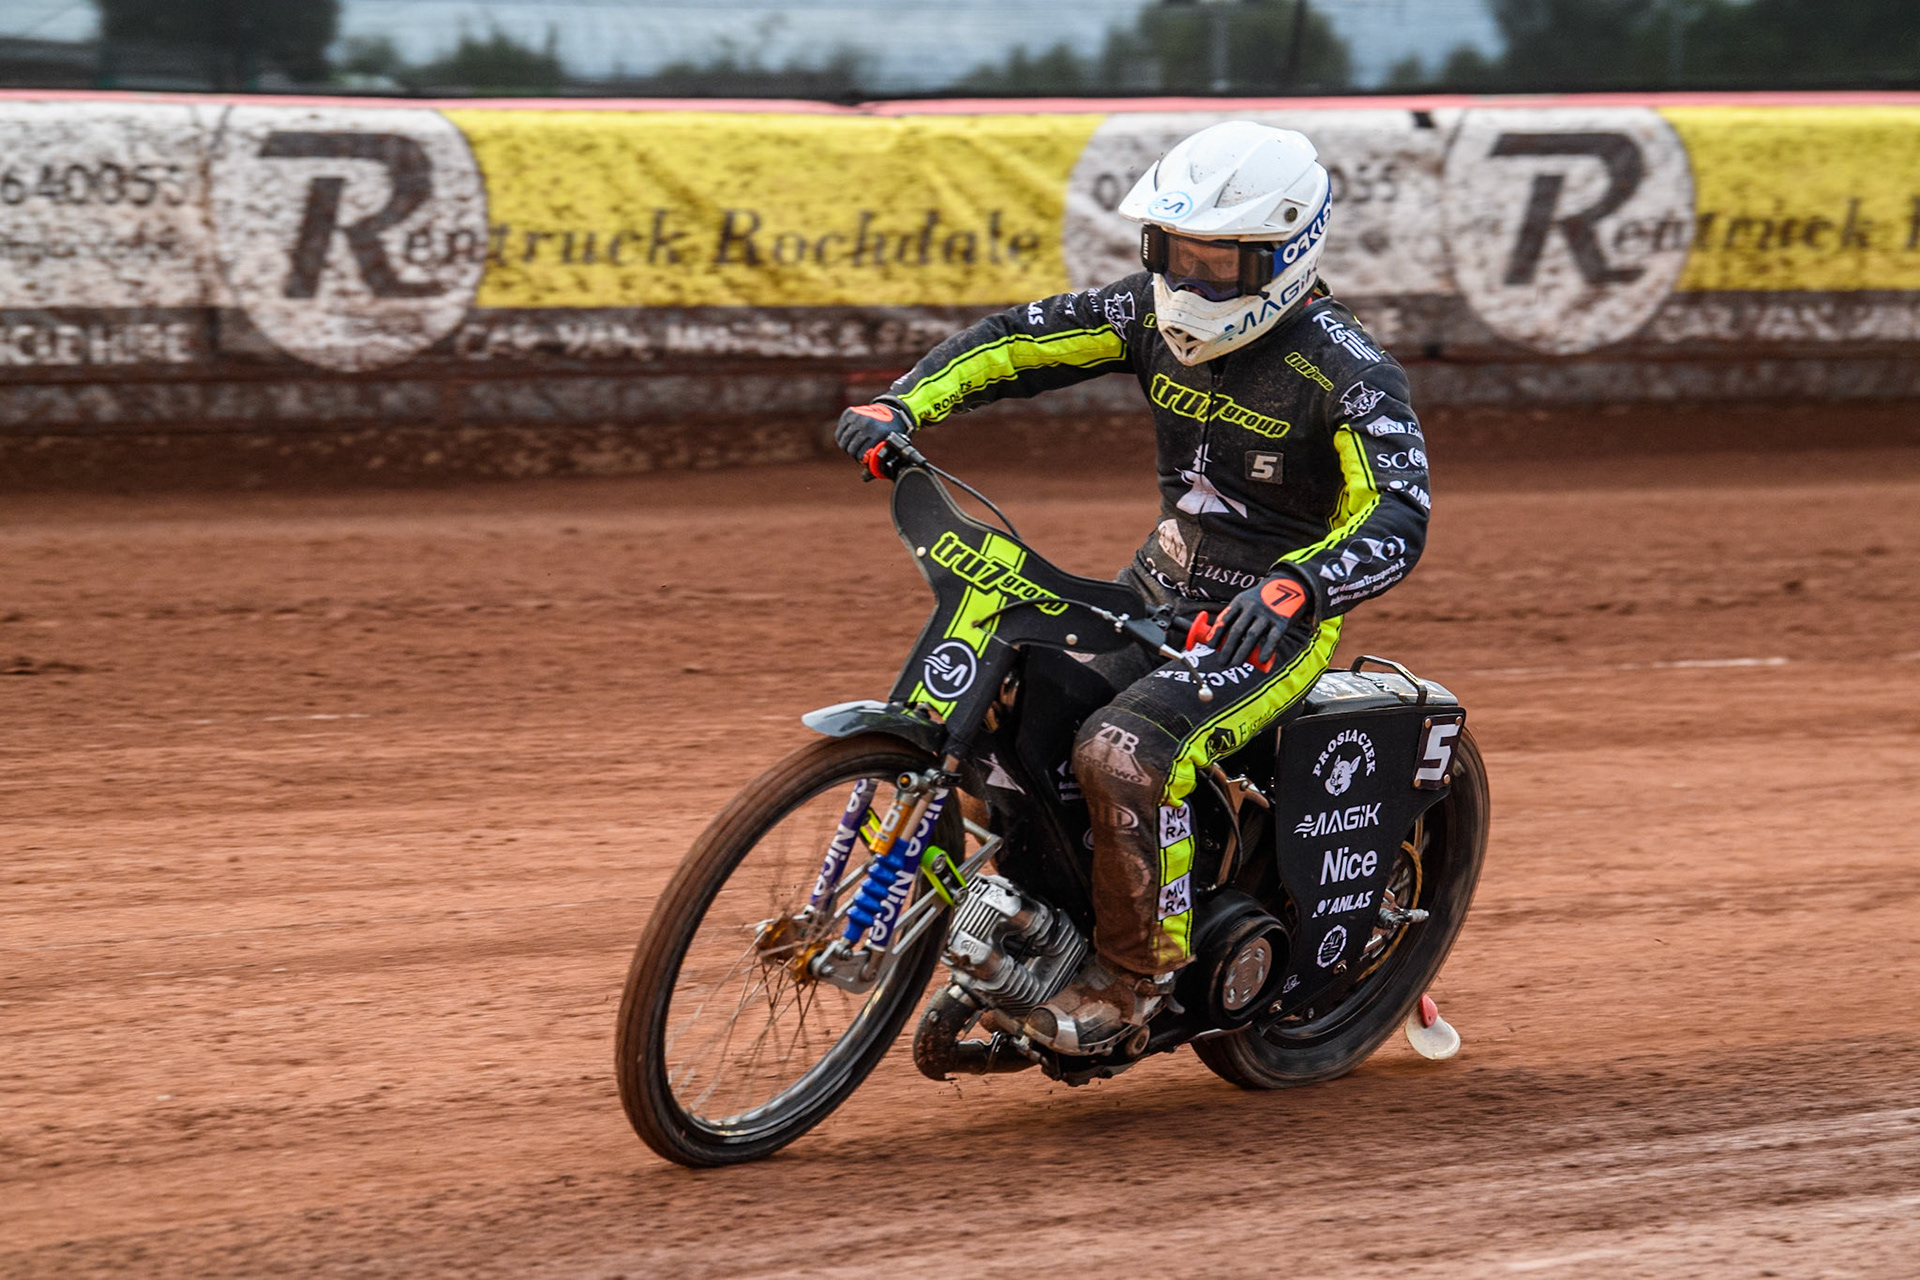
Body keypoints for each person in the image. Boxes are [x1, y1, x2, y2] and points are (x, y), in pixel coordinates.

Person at [835, 121, 1431, 1055]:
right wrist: (902, 401)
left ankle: (1134, 978)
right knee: (1003, 714)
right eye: (1173, 253)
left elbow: (1398, 515)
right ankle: (1040, 928)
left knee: (1123, 751)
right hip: (1151, 592)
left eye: (1218, 263)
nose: (1190, 282)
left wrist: (1299, 587)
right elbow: (1015, 343)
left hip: (1266, 629)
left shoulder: (1350, 373)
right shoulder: (1146, 313)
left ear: (1287, 252)